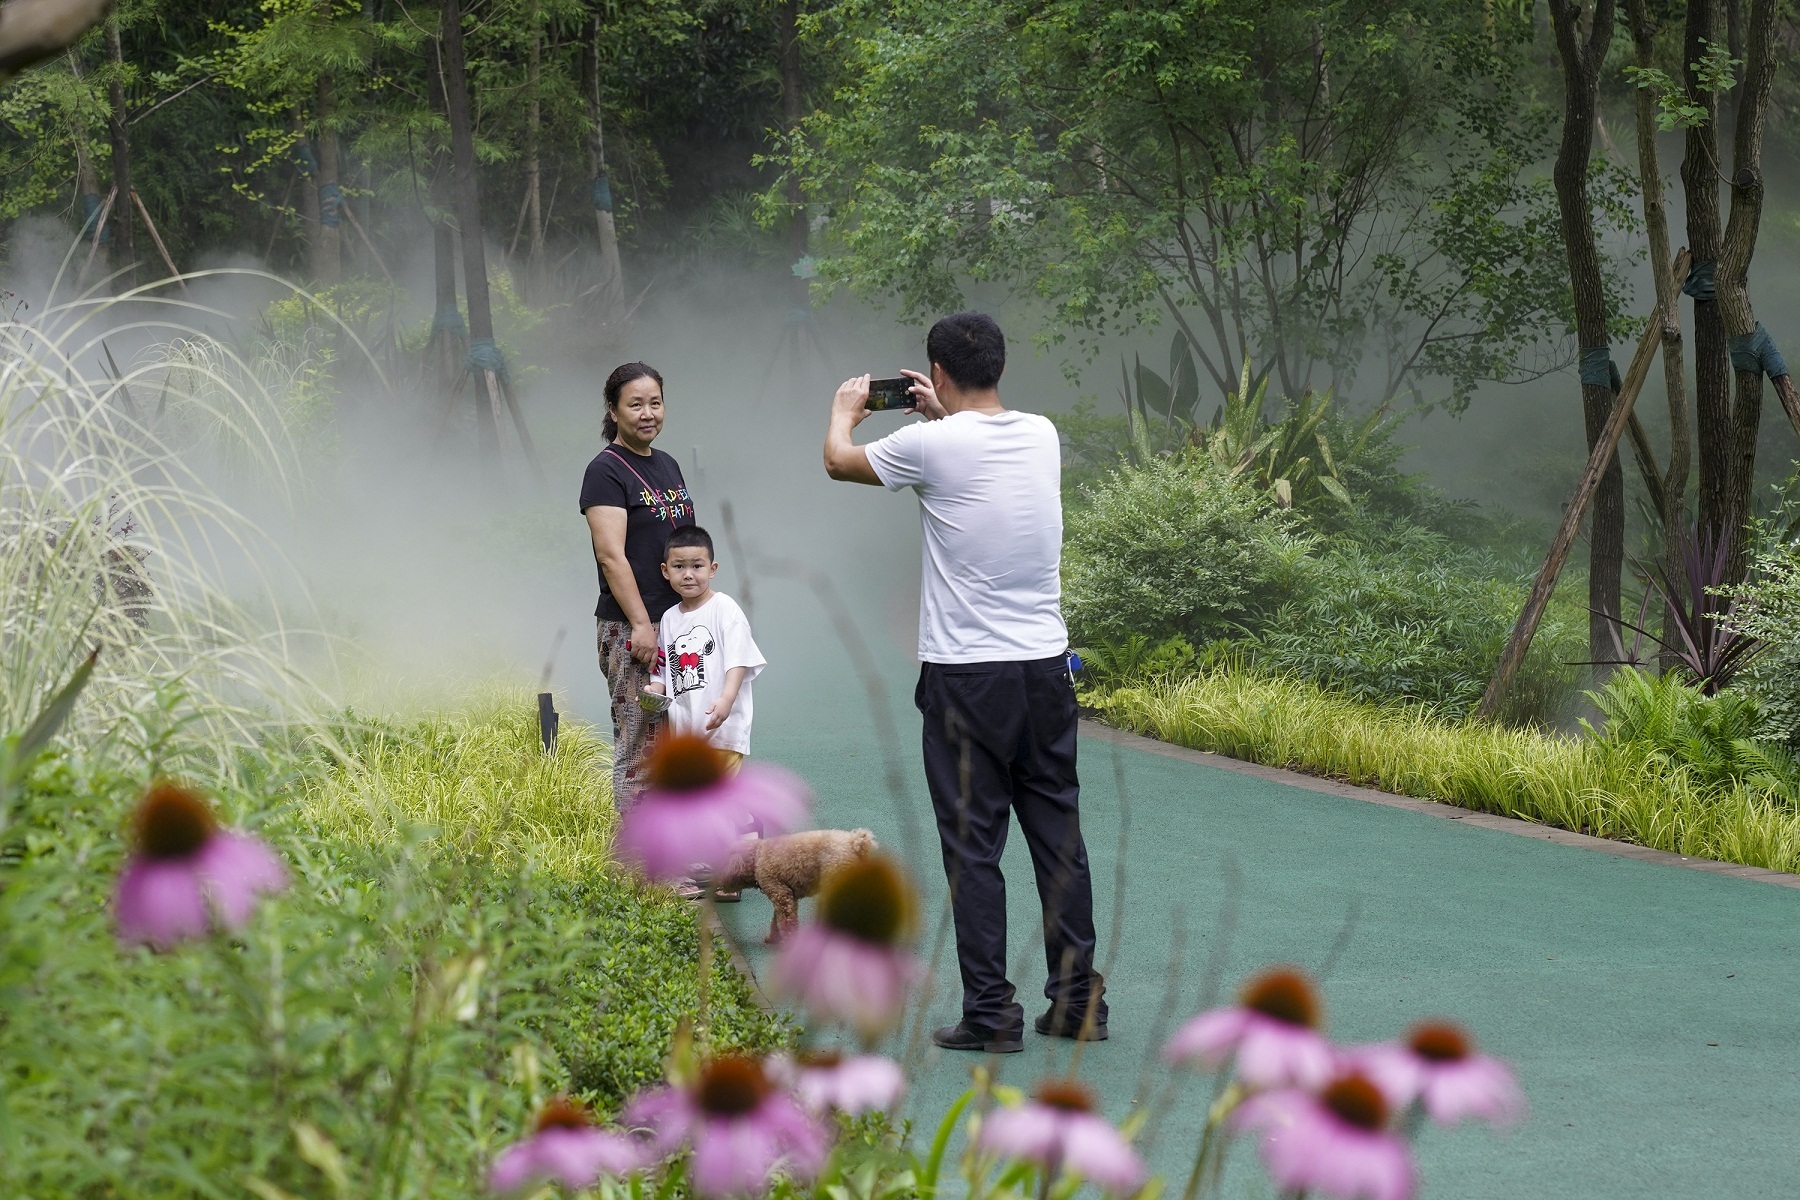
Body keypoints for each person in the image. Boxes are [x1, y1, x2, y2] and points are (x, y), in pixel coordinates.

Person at [821, 311, 1107, 1054]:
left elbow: (837, 463)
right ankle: (1078, 1004)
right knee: (1058, 838)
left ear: (937, 373)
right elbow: (978, 445)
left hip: (967, 679)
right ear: (1000, 367)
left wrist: (843, 412)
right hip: (1046, 668)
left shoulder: (927, 443)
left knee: (974, 846)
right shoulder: (1042, 435)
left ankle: (990, 1013)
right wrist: (944, 412)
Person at [581, 362, 695, 808]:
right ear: (613, 410)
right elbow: (612, 556)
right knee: (641, 747)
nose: (648, 413)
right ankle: (645, 869)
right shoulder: (605, 471)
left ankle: (686, 861)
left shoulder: (668, 464)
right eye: (635, 404)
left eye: (656, 402)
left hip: (677, 624)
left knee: (680, 744)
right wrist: (642, 626)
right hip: (634, 629)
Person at [646, 524, 768, 901]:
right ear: (665, 571)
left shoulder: (725, 608)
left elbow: (739, 661)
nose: (689, 574)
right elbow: (665, 669)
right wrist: (656, 689)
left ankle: (731, 875)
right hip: (688, 737)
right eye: (679, 566)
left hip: (724, 730)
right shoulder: (669, 619)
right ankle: (712, 867)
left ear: (713, 568)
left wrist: (728, 699)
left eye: (697, 566)